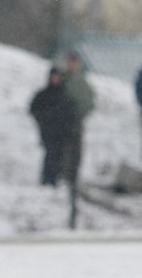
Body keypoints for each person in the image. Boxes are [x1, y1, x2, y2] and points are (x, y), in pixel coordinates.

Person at [29, 66, 78, 187]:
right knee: (49, 154)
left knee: (59, 156)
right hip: (48, 132)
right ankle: (47, 179)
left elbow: (71, 114)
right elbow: (34, 109)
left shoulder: (65, 96)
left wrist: (67, 128)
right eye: (54, 76)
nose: (55, 79)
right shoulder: (44, 95)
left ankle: (54, 179)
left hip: (61, 133)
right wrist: (43, 121)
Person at [61, 51, 94, 184]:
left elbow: (89, 100)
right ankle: (64, 176)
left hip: (78, 120)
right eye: (71, 62)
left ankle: (73, 177)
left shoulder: (82, 81)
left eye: (76, 62)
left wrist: (83, 112)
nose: (74, 65)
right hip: (64, 120)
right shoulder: (63, 79)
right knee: (64, 149)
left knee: (77, 150)